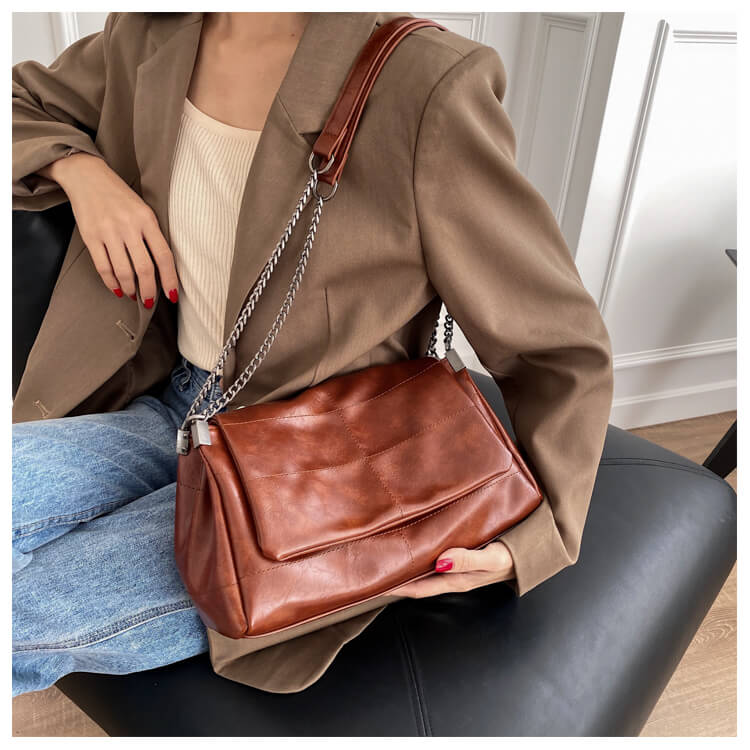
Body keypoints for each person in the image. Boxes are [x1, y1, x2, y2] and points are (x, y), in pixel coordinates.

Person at [12, 12, 614, 697]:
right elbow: (20, 102)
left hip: (316, 471)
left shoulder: (423, 82)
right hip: (171, 402)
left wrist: (533, 538)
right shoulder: (150, 33)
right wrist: (83, 171)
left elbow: (557, 341)